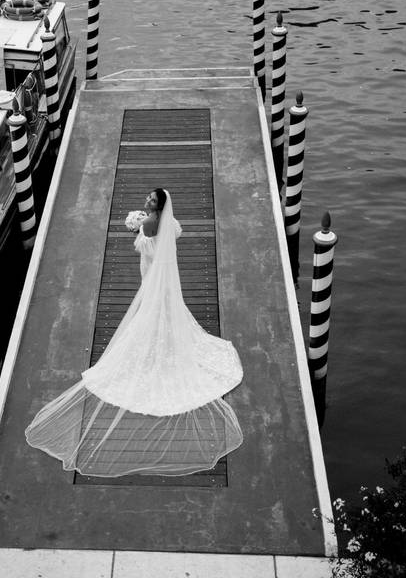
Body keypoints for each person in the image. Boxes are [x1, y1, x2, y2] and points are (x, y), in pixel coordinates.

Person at [25, 188, 243, 476]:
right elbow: (175, 232)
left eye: (152, 201)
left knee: (151, 307)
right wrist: (143, 222)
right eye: (149, 199)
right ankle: (164, 335)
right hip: (163, 271)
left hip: (153, 272)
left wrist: (136, 226)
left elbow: (143, 242)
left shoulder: (151, 223)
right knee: (163, 306)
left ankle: (157, 338)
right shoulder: (165, 220)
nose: (147, 202)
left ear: (158, 205)